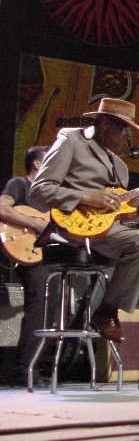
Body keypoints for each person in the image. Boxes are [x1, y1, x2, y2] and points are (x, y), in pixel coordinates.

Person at [30, 97, 139, 390]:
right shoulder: (70, 140)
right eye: (123, 129)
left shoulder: (120, 166)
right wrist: (85, 197)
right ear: (105, 123)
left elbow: (124, 216)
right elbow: (39, 191)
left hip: (108, 234)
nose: (126, 137)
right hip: (73, 228)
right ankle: (105, 313)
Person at [0, 146, 51, 385]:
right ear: (38, 165)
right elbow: (2, 208)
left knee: (55, 307)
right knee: (39, 306)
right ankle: (26, 369)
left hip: (51, 255)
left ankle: (45, 364)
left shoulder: (52, 195)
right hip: (29, 253)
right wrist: (36, 224)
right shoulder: (19, 184)